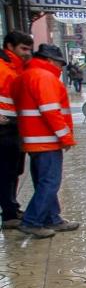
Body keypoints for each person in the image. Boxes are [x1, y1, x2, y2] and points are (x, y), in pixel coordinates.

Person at [13, 44, 79, 238]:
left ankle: (52, 218)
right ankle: (32, 221)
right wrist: (65, 137)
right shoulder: (44, 77)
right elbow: (50, 111)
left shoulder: (26, 76)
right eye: (59, 63)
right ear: (49, 60)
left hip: (33, 138)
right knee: (50, 182)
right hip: (45, 139)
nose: (60, 68)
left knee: (43, 181)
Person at [0, 30, 34, 229]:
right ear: (10, 47)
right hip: (3, 129)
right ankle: (9, 214)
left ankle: (12, 209)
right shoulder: (4, 68)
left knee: (14, 170)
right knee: (5, 172)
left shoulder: (16, 67)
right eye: (23, 48)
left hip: (14, 127)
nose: (26, 53)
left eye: (29, 49)